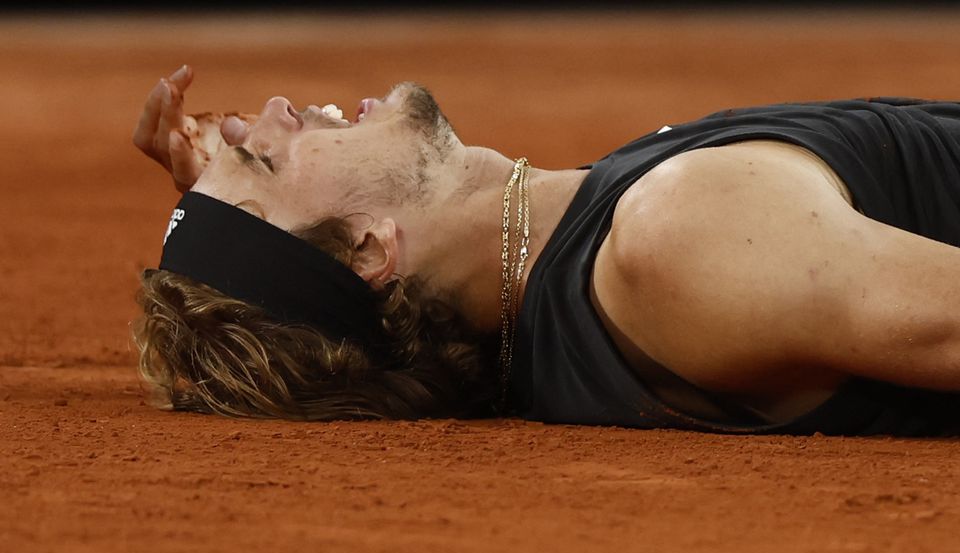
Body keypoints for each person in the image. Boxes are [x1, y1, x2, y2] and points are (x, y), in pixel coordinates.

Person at [133, 65, 960, 435]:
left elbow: (307, 294)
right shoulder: (672, 246)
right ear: (368, 254)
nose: (272, 108)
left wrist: (225, 229)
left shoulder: (561, 275)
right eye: (266, 157)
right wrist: (240, 222)